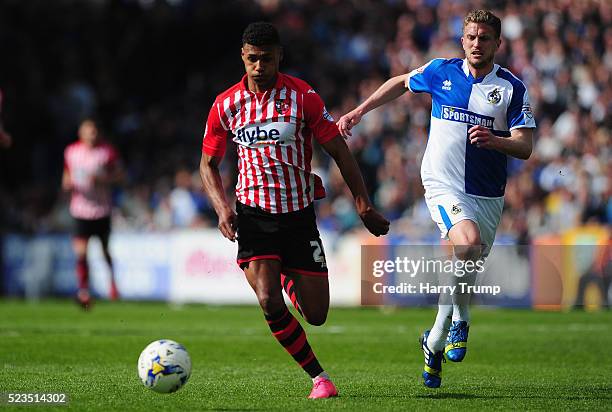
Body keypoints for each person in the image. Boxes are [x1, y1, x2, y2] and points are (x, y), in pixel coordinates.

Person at [337, 10, 536, 388]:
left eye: (485, 38)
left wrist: (495, 141)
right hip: (442, 182)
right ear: (463, 40)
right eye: (471, 37)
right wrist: (360, 111)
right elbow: (400, 82)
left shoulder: (512, 88)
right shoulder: (441, 71)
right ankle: (456, 322)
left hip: (488, 194)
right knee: (468, 244)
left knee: (469, 259)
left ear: (498, 43)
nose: (477, 44)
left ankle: (434, 340)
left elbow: (525, 146)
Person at [200, 22, 389, 399]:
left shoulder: (303, 97)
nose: (258, 67)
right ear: (243, 56)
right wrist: (222, 208)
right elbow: (208, 164)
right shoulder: (226, 104)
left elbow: (338, 150)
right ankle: (320, 379)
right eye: (252, 59)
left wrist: (363, 202)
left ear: (279, 56)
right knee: (268, 300)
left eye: (266, 59)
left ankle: (284, 273)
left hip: (298, 216)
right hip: (252, 214)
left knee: (316, 314)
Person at [63, 118, 124, 309]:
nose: (92, 134)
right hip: (80, 210)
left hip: (101, 210)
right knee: (81, 252)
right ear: (81, 133)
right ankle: (84, 291)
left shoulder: (107, 152)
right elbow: (66, 175)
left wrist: (102, 179)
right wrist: (67, 184)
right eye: (88, 131)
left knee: (104, 250)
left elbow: (120, 175)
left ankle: (113, 284)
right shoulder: (71, 151)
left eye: (94, 131)